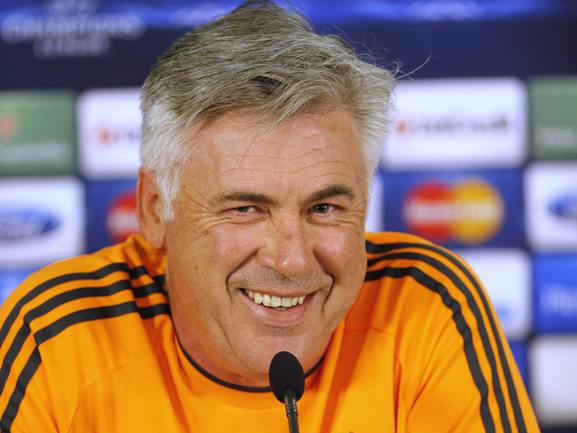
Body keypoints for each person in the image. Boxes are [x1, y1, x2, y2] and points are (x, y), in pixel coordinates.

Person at [0, 1, 540, 432]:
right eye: (245, 209)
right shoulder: (56, 336)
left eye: (324, 208)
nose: (292, 259)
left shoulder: (424, 302)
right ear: (155, 210)